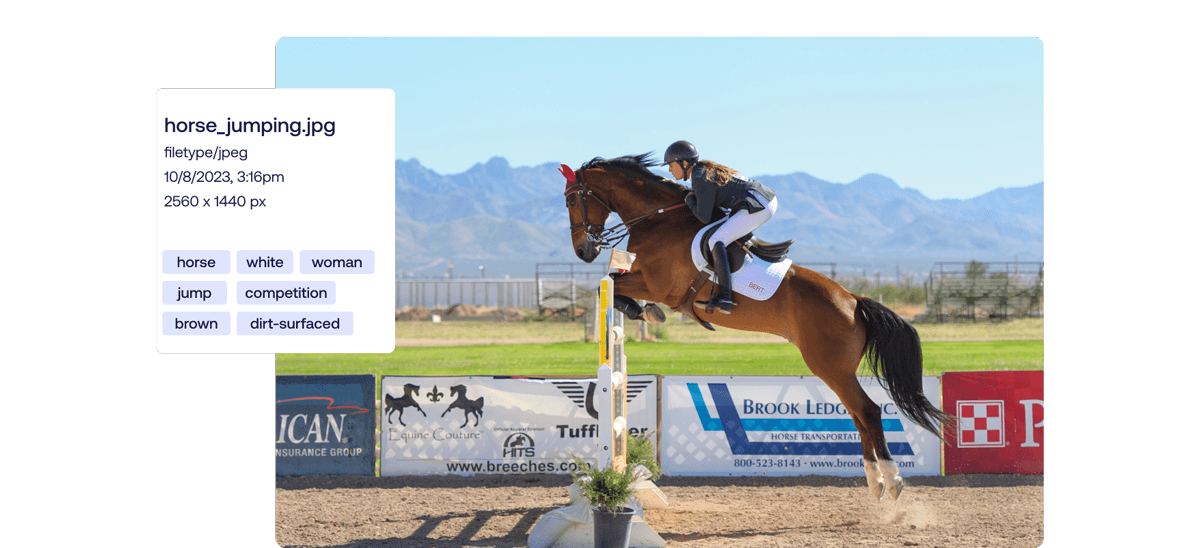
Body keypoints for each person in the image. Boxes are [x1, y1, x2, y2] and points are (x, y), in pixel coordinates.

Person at [663, 140, 778, 315]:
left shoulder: (700, 176)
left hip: (759, 203)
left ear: (684, 163)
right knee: (721, 235)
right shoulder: (701, 172)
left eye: (671, 166)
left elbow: (704, 217)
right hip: (760, 200)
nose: (670, 170)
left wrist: (689, 200)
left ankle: (725, 297)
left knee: (716, 240)